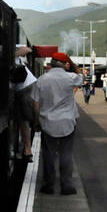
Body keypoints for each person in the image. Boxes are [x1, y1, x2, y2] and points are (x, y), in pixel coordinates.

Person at [31, 52, 83, 195]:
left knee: (48, 155)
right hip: (67, 122)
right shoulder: (71, 77)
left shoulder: (41, 80)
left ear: (51, 64)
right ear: (65, 64)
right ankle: (66, 186)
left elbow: (36, 103)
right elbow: (81, 77)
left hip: (48, 122)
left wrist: (37, 121)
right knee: (66, 154)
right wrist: (72, 64)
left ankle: (48, 186)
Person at [10, 62, 37, 162]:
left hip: (23, 89)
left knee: (23, 120)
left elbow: (26, 49)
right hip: (26, 87)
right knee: (26, 120)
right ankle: (27, 150)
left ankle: (27, 150)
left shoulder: (9, 51)